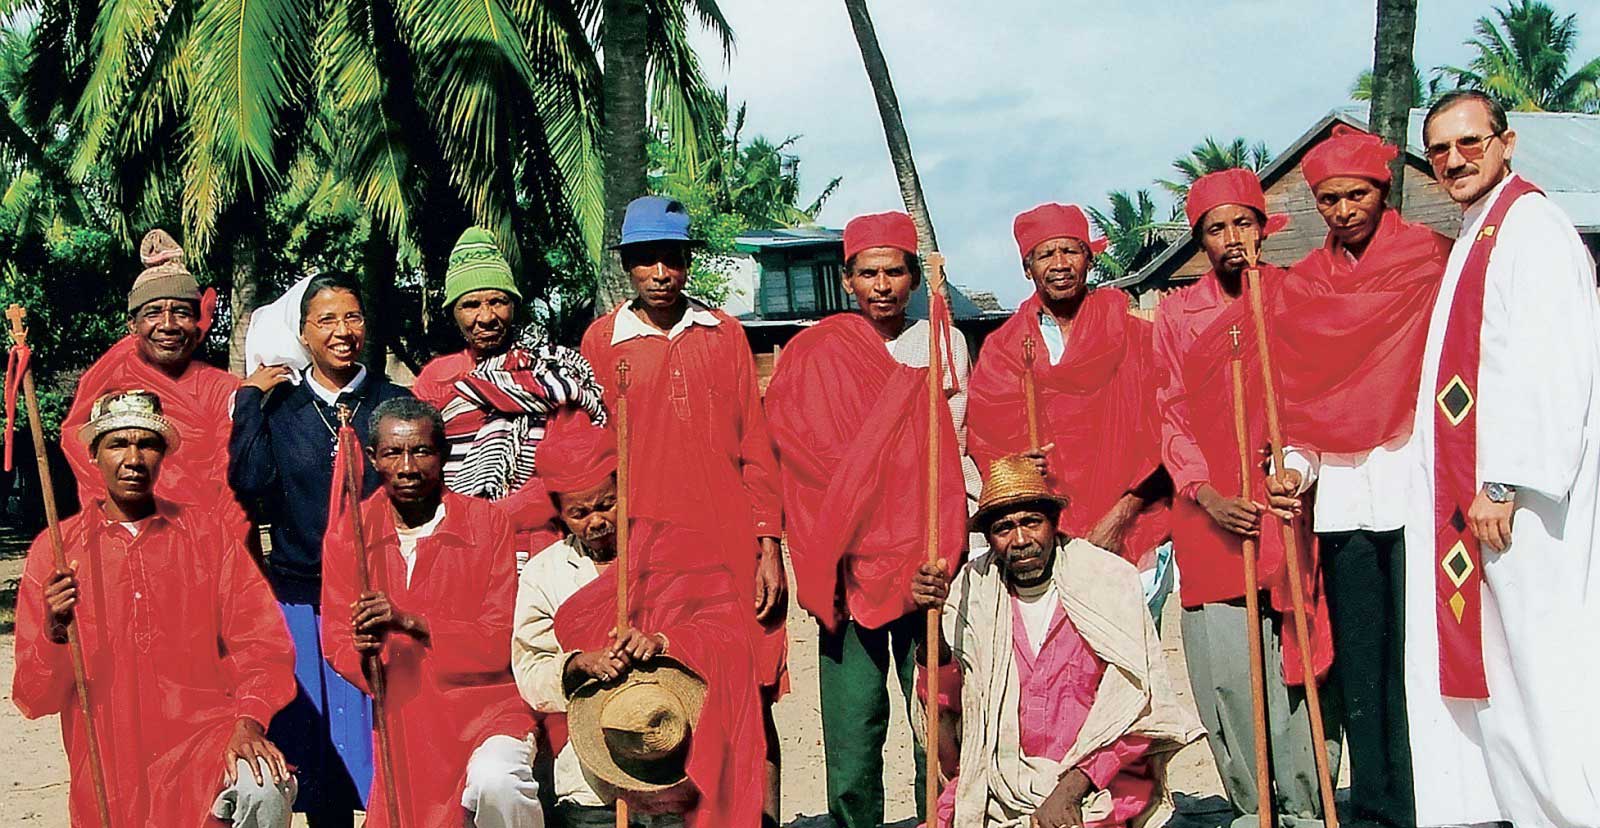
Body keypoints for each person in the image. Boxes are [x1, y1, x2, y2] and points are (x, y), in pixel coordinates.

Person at [1396, 89, 1600, 827]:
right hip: (1485, 505)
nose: (1454, 159)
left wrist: (1502, 481)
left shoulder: (1535, 228)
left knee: (1545, 672)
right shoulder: (1481, 229)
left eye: (1469, 143)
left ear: (1507, 143)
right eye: (1440, 148)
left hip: (1521, 507)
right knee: (1505, 672)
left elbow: (1552, 369)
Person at [1264, 125, 1451, 828]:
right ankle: (1376, 804)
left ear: (1383, 190)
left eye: (1356, 194)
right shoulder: (1305, 285)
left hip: (1416, 488)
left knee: (1419, 659)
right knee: (1362, 662)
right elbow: (1298, 398)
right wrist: (1289, 468)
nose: (1343, 209)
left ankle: (1434, 796)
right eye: (1330, 199)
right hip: (1340, 498)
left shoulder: (1429, 261)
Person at [578, 195, 786, 824]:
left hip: (728, 547)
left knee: (751, 690)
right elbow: (592, 460)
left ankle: (760, 819)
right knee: (653, 697)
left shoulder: (723, 334)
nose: (660, 273)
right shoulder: (601, 341)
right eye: (645, 261)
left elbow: (755, 443)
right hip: (647, 554)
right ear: (628, 266)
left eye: (670, 258)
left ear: (688, 261)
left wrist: (767, 546)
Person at [765, 210, 973, 828]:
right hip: (846, 564)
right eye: (868, 272)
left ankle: (937, 819)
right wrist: (835, 531)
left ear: (912, 278)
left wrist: (946, 541)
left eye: (894, 272)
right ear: (848, 278)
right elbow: (794, 454)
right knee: (853, 727)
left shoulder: (941, 343)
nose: (882, 284)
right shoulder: (812, 354)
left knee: (934, 715)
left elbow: (954, 451)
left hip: (924, 560)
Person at [13, 390, 298, 827]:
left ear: (164, 453)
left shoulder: (206, 536)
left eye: (146, 443)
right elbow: (35, 698)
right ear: (94, 454)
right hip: (109, 753)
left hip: (204, 739)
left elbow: (261, 643)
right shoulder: (57, 549)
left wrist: (250, 720)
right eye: (117, 444)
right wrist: (53, 632)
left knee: (264, 787)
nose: (133, 458)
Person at [1151, 169, 1339, 827]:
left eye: (1242, 223)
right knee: (1230, 669)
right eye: (1215, 228)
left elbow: (1318, 395)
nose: (1232, 239)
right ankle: (1253, 806)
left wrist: (1293, 469)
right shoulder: (1176, 313)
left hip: (1286, 502)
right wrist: (1205, 494)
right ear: (1200, 240)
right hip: (1210, 516)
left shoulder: (1296, 296)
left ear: (1263, 227)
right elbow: (1168, 408)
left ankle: (1308, 803)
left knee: (1297, 658)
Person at [909, 455, 1201, 828]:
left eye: (1031, 522)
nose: (1020, 540)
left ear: (1054, 522)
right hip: (997, 783)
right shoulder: (972, 591)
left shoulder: (1107, 580)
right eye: (1004, 528)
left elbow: (1137, 708)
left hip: (1095, 787)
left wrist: (1068, 792)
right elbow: (948, 711)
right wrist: (926, 625)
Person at [511, 407, 765, 827]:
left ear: (623, 490)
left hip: (676, 770)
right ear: (557, 512)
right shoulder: (544, 572)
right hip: (591, 779)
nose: (597, 521)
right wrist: (576, 666)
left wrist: (666, 643)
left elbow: (730, 635)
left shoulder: (676, 548)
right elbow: (530, 672)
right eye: (579, 513)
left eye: (607, 504)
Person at [229, 274, 411, 825]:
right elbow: (250, 481)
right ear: (303, 334)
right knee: (317, 749)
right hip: (301, 598)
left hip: (376, 601)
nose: (342, 331)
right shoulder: (282, 409)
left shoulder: (393, 403)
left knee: (388, 746)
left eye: (352, 317)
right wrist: (248, 401)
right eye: (326, 320)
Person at [320, 397, 541, 827]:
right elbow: (336, 641)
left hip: (486, 710)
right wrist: (363, 653)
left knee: (500, 782)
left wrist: (410, 622)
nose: (407, 467)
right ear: (372, 458)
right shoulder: (351, 535)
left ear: (443, 454)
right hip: (407, 714)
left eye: (421, 451)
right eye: (392, 453)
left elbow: (500, 641)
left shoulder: (486, 523)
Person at [966, 202, 1172, 613]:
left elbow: (1168, 436)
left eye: (1071, 251)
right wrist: (1015, 467)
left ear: (1089, 259)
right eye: (1045, 254)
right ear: (1028, 268)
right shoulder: (1004, 350)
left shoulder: (1137, 338)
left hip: (1133, 522)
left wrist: (1121, 516)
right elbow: (988, 444)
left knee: (1132, 666)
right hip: (1047, 538)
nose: (1060, 264)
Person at [412, 227, 607, 565]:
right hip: (455, 541)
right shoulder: (435, 380)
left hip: (540, 544)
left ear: (514, 306)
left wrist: (494, 516)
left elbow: (570, 472)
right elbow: (421, 464)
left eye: (497, 302)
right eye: (470, 305)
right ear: (453, 313)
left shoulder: (551, 372)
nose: (486, 317)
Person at [60, 229, 249, 542]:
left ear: (199, 321)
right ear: (132, 324)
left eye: (181, 312)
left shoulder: (223, 387)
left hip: (209, 539)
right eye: (153, 312)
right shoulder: (108, 380)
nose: (168, 325)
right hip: (125, 536)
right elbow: (79, 445)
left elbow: (227, 480)